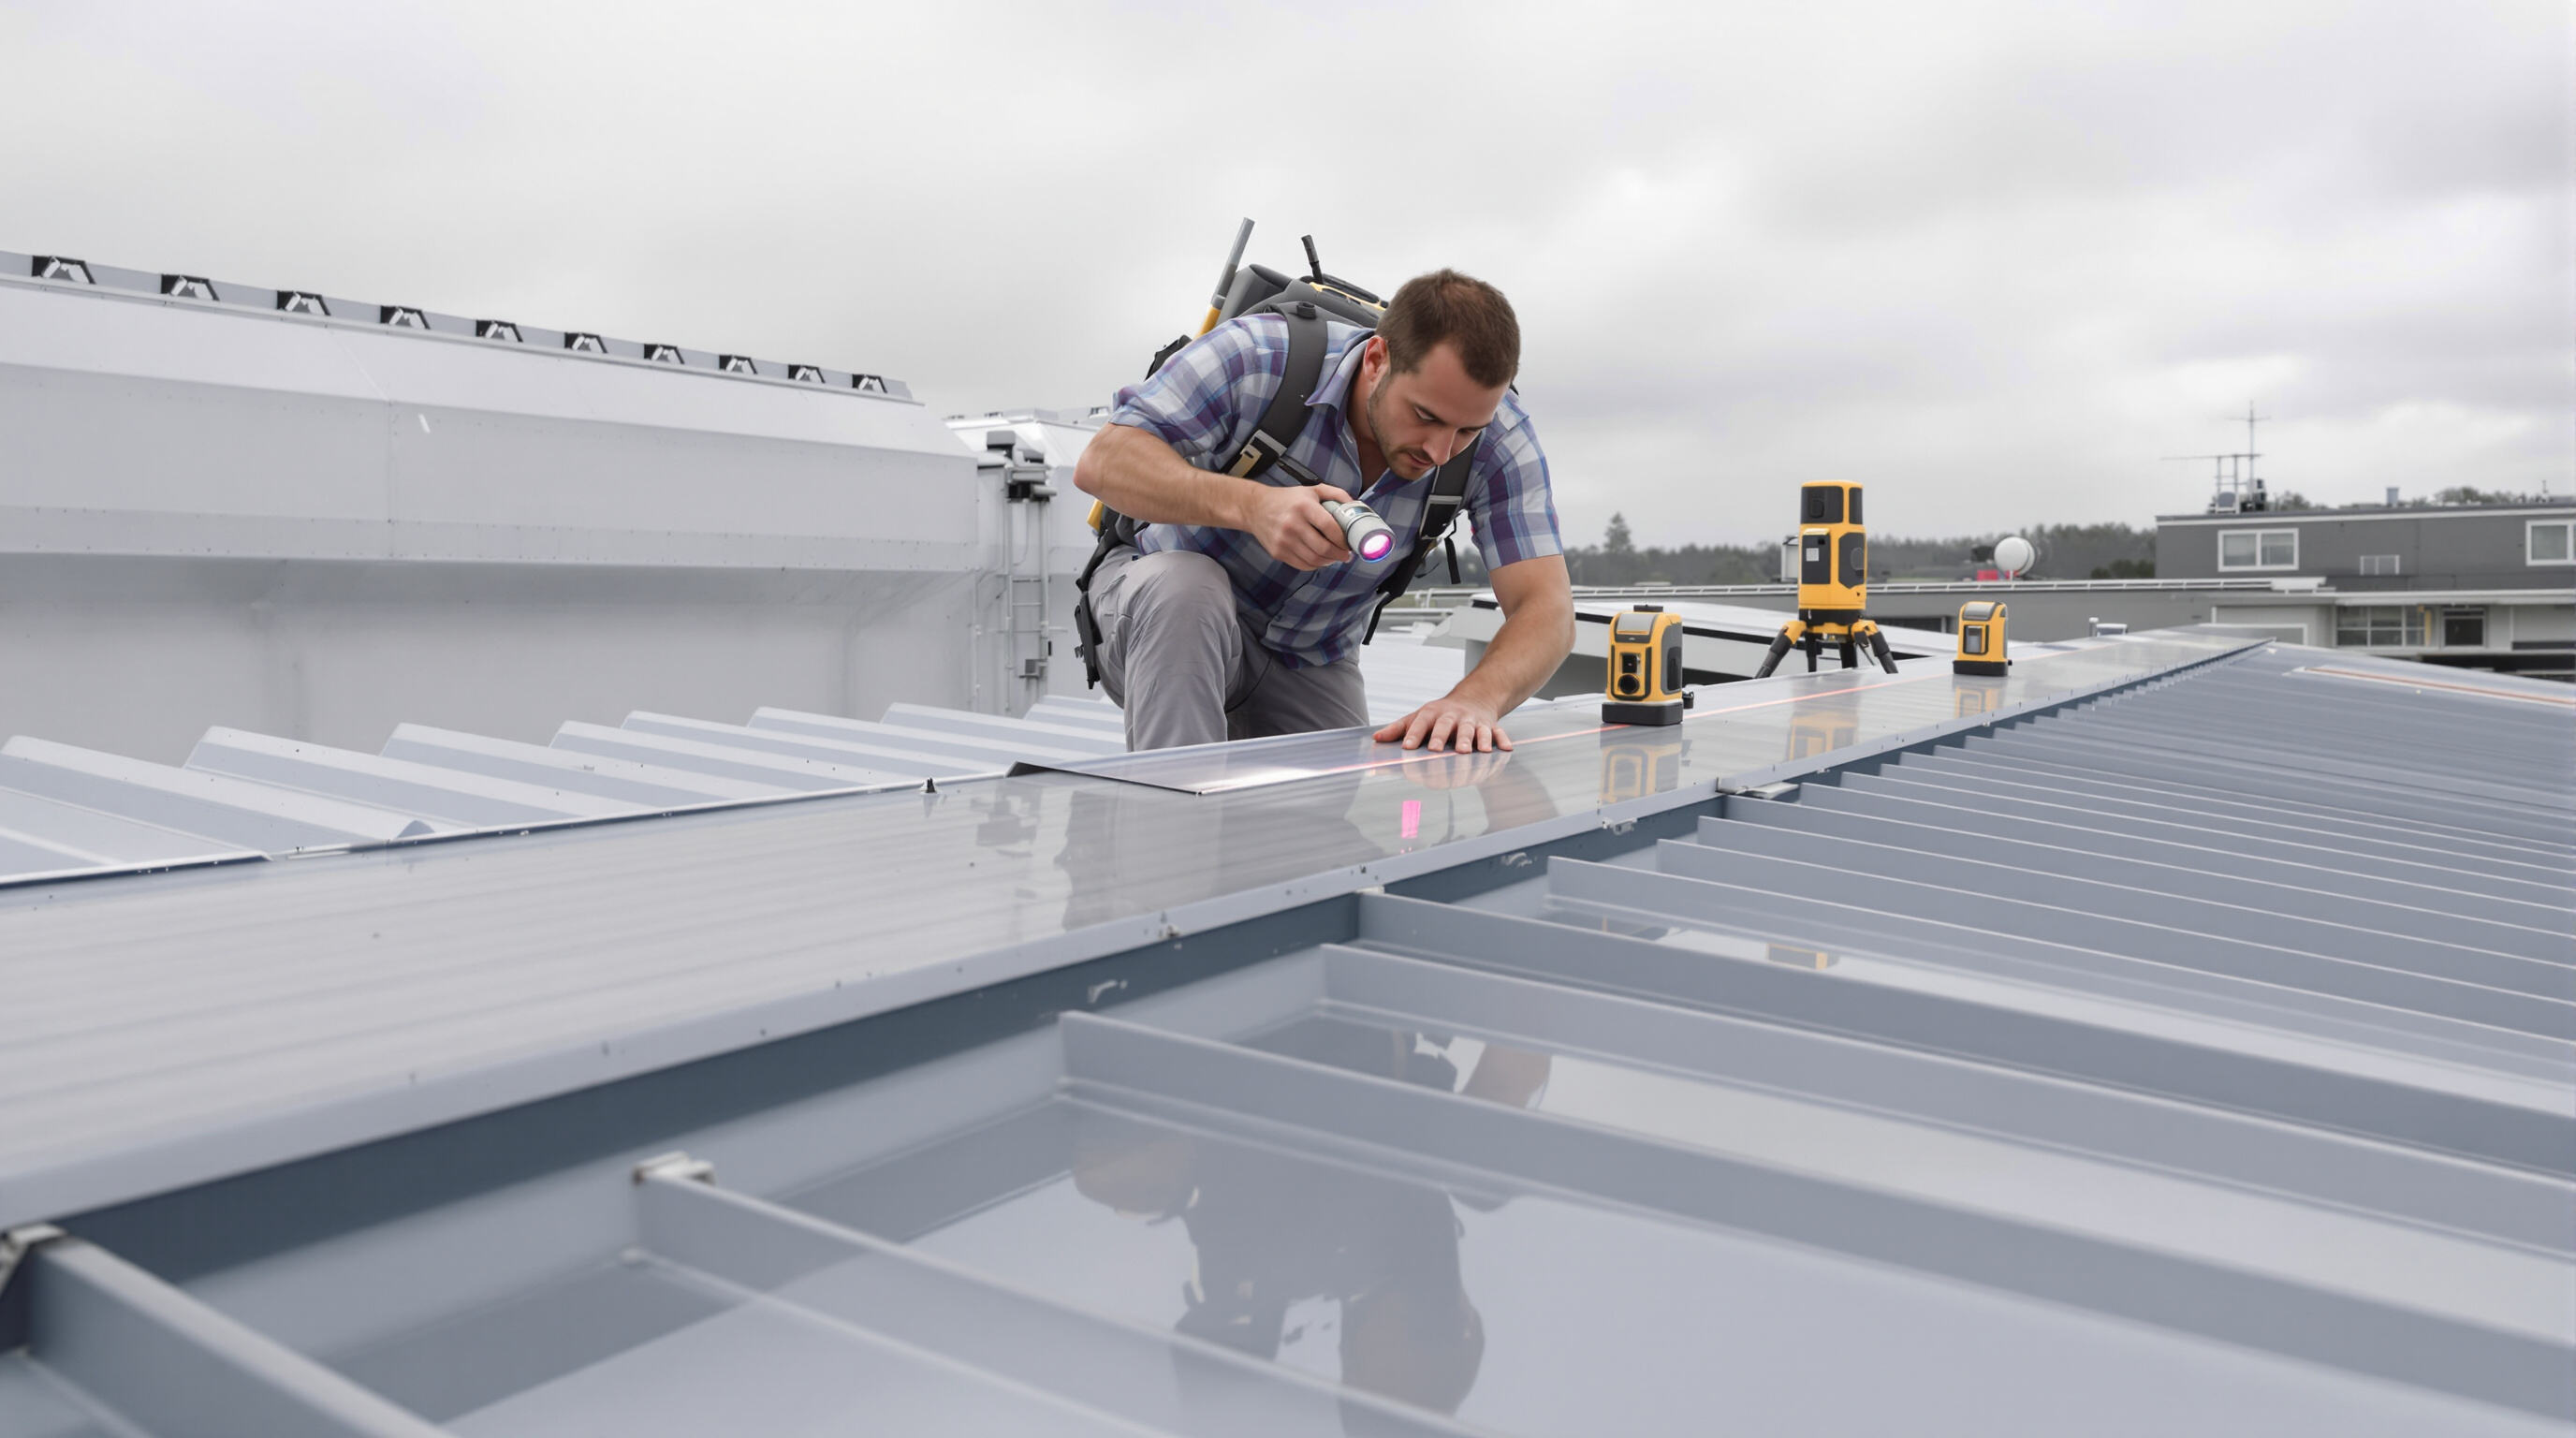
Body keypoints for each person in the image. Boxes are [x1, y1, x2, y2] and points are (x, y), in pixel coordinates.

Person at [1072, 270, 1575, 754]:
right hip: (1160, 618)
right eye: (1426, 416)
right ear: (1377, 359)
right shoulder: (1258, 357)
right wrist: (1253, 507)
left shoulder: (1502, 440)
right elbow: (1103, 462)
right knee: (1189, 588)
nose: (1442, 451)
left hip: (1310, 653)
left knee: (1328, 821)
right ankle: (1174, 820)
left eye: (1467, 431)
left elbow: (1547, 611)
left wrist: (1474, 701)